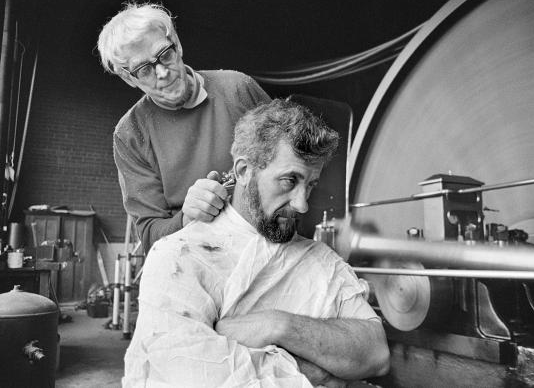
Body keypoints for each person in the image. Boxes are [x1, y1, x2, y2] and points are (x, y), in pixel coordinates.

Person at [123, 99, 390, 387]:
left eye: (310, 185)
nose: (302, 205)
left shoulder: (321, 260)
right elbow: (193, 378)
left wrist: (278, 325)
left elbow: (376, 354)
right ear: (243, 171)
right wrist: (323, 375)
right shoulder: (179, 257)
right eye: (289, 180)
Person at [97, 2, 271, 253]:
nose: (162, 73)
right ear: (128, 78)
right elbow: (149, 237)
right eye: (144, 69)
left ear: (177, 44)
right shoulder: (130, 134)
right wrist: (188, 217)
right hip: (191, 260)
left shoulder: (238, 89)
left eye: (165, 54)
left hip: (263, 246)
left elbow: (291, 162)